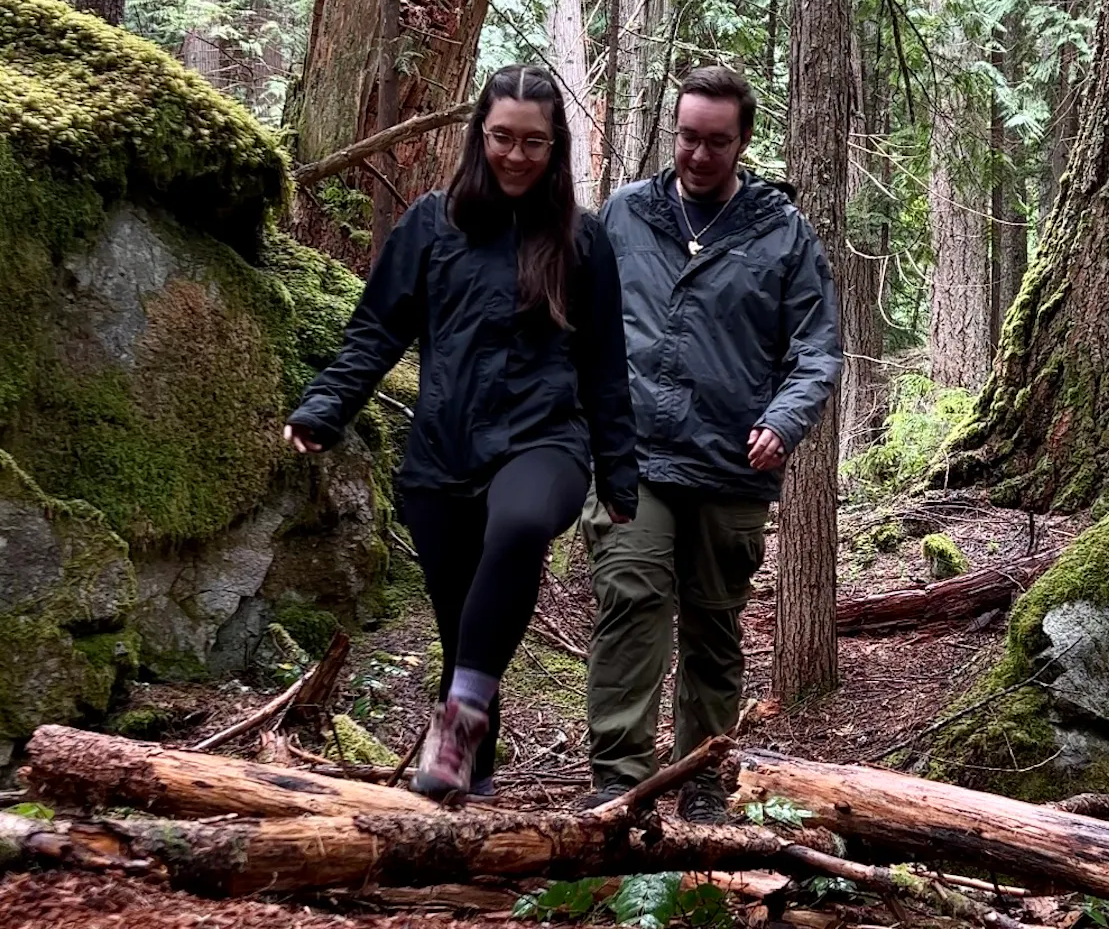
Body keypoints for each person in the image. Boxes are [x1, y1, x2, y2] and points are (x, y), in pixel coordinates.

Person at [282, 64, 638, 802]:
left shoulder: (583, 241)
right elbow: (375, 331)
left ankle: (462, 721)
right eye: (503, 137)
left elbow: (606, 367)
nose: (516, 155)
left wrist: (620, 474)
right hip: (442, 455)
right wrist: (324, 408)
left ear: (556, 146)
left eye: (534, 142)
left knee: (518, 528)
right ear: (480, 133)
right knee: (464, 629)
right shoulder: (431, 224)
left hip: (546, 442)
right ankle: (469, 786)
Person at [579, 66, 843, 821]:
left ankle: (702, 780)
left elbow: (817, 348)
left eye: (716, 142)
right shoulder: (626, 214)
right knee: (630, 597)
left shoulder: (781, 234)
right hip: (635, 457)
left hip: (732, 463)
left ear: (743, 141)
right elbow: (581, 316)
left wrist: (784, 420)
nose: (698, 155)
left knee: (713, 623)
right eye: (688, 138)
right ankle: (617, 783)